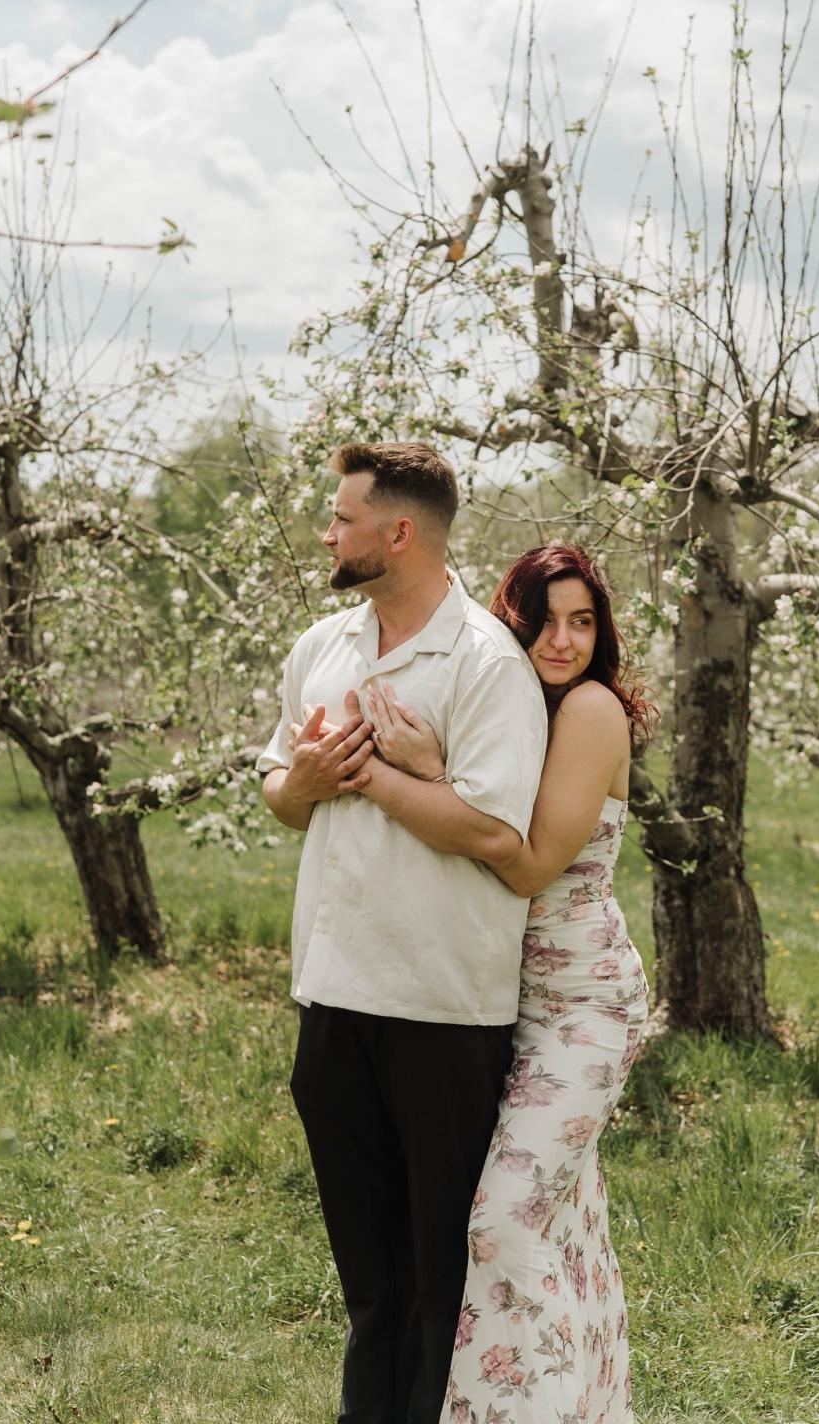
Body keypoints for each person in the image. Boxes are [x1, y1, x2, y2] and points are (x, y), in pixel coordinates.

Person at [256, 440, 548, 1424]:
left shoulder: (485, 662)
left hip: (441, 1007)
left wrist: (374, 777)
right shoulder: (322, 646)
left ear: (398, 532)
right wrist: (302, 783)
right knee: (368, 1279)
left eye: (341, 519)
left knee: (435, 1283)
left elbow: (495, 831)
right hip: (332, 995)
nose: (326, 534)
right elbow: (281, 791)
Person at [358, 542, 653, 1424]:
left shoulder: (591, 709)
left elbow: (527, 865)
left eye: (583, 622)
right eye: (544, 622)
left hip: (588, 1008)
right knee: (567, 1227)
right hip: (512, 1005)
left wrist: (426, 775)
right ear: (512, 625)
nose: (563, 641)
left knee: (505, 1223)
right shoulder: (519, 706)